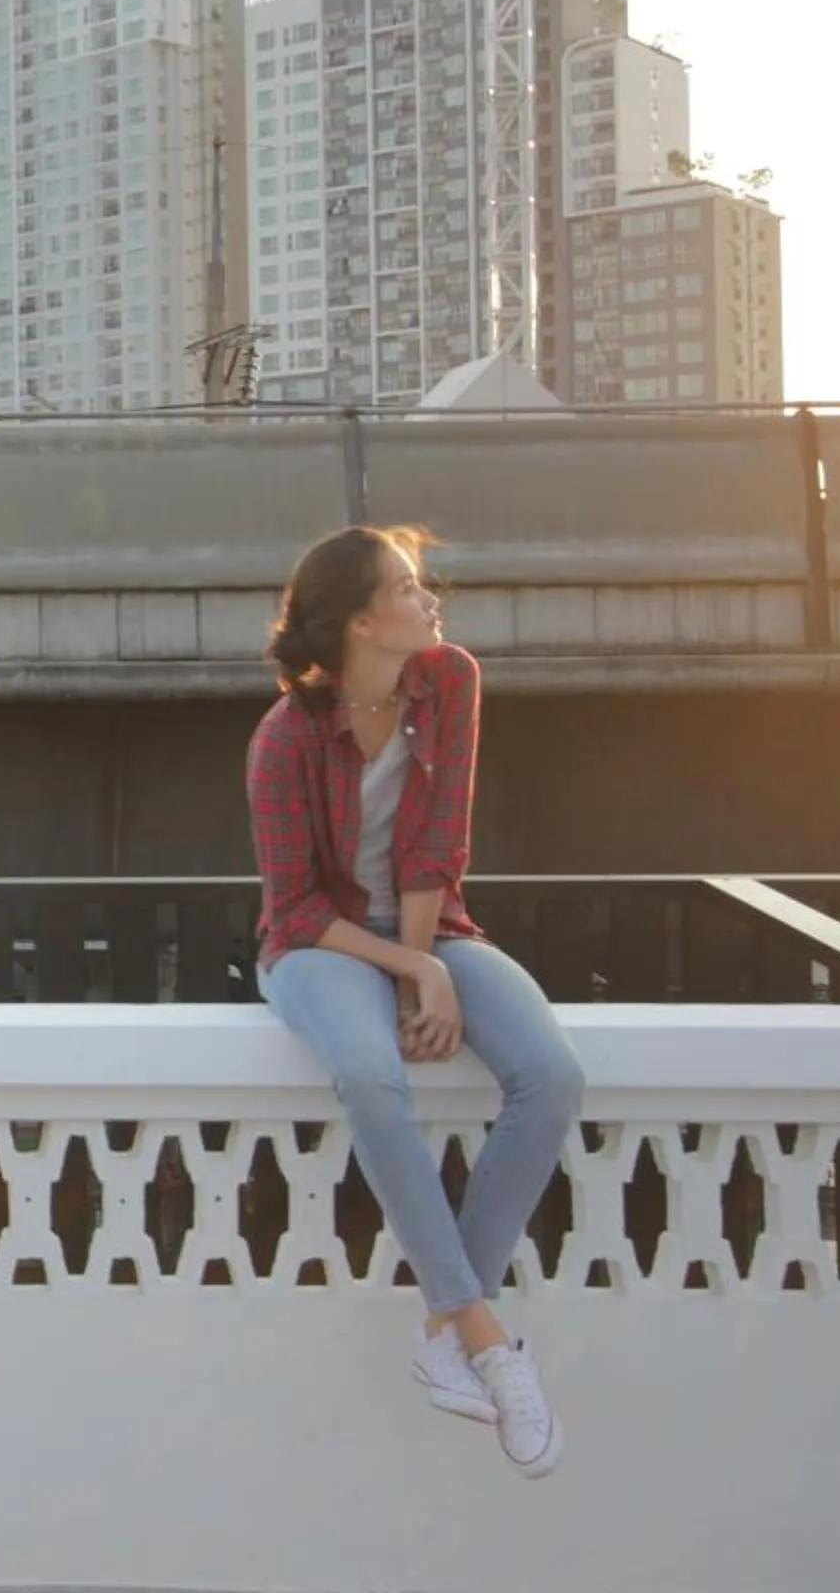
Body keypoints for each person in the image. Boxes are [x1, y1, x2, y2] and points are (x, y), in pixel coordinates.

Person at [245, 525, 584, 1481]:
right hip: (319, 947)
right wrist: (406, 968)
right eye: (406, 585)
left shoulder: (450, 682)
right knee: (368, 1071)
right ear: (361, 619)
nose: (429, 595)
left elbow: (438, 846)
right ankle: (482, 1337)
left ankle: (442, 1326)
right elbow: (296, 905)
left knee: (550, 1076)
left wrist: (425, 960)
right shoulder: (283, 741)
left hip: (430, 926)